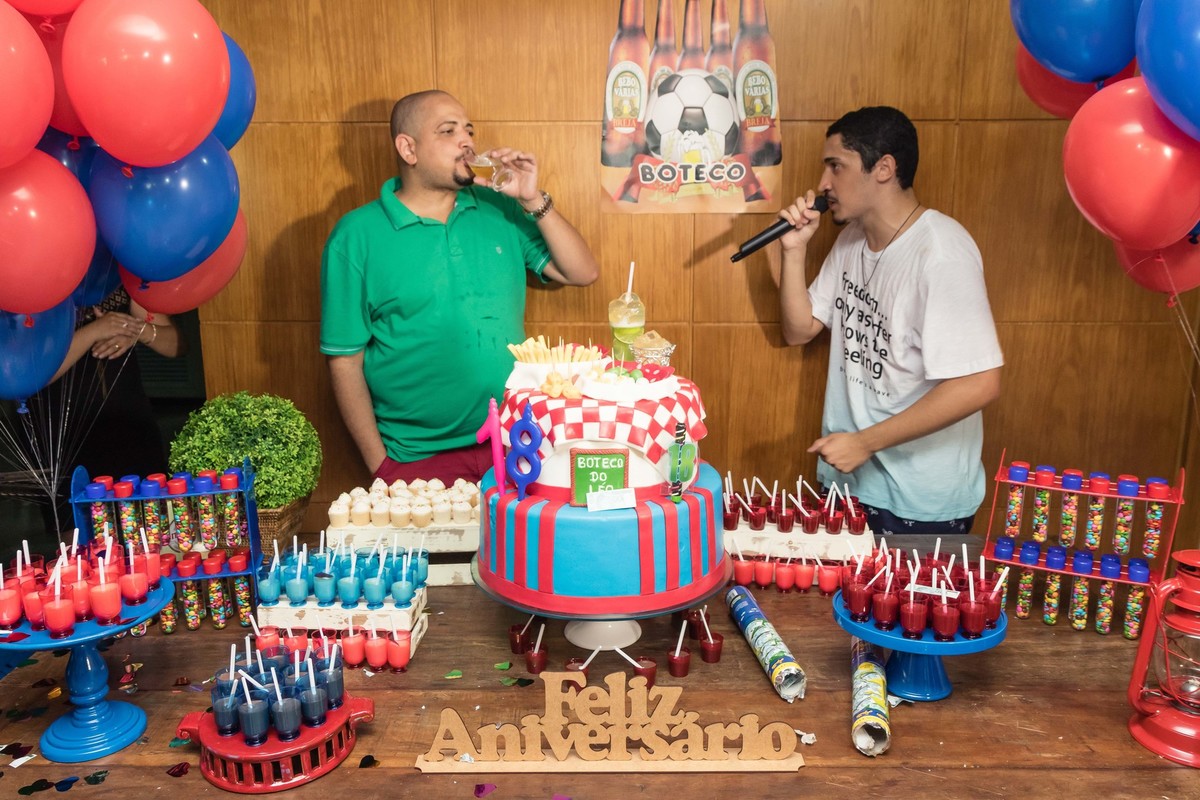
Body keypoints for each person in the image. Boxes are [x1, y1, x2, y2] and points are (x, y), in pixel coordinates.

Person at [321, 90, 599, 485]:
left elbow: (582, 272)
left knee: (520, 548)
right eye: (448, 131)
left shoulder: (498, 209)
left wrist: (532, 198)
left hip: (514, 444)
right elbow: (344, 360)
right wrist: (381, 466)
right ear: (408, 148)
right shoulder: (355, 236)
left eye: (468, 130)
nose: (466, 141)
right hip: (414, 459)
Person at [774, 106, 1003, 534]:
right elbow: (799, 330)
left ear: (883, 168)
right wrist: (793, 250)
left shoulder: (941, 253)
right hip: (852, 485)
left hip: (920, 501)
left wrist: (865, 442)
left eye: (835, 167)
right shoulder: (851, 240)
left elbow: (980, 382)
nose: (823, 184)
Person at [31, 285, 186, 533]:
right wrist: (95, 331)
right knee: (82, 545)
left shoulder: (122, 276)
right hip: (67, 433)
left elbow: (177, 344)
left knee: (153, 533)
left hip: (130, 422)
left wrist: (137, 331)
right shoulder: (36, 287)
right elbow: (33, 372)